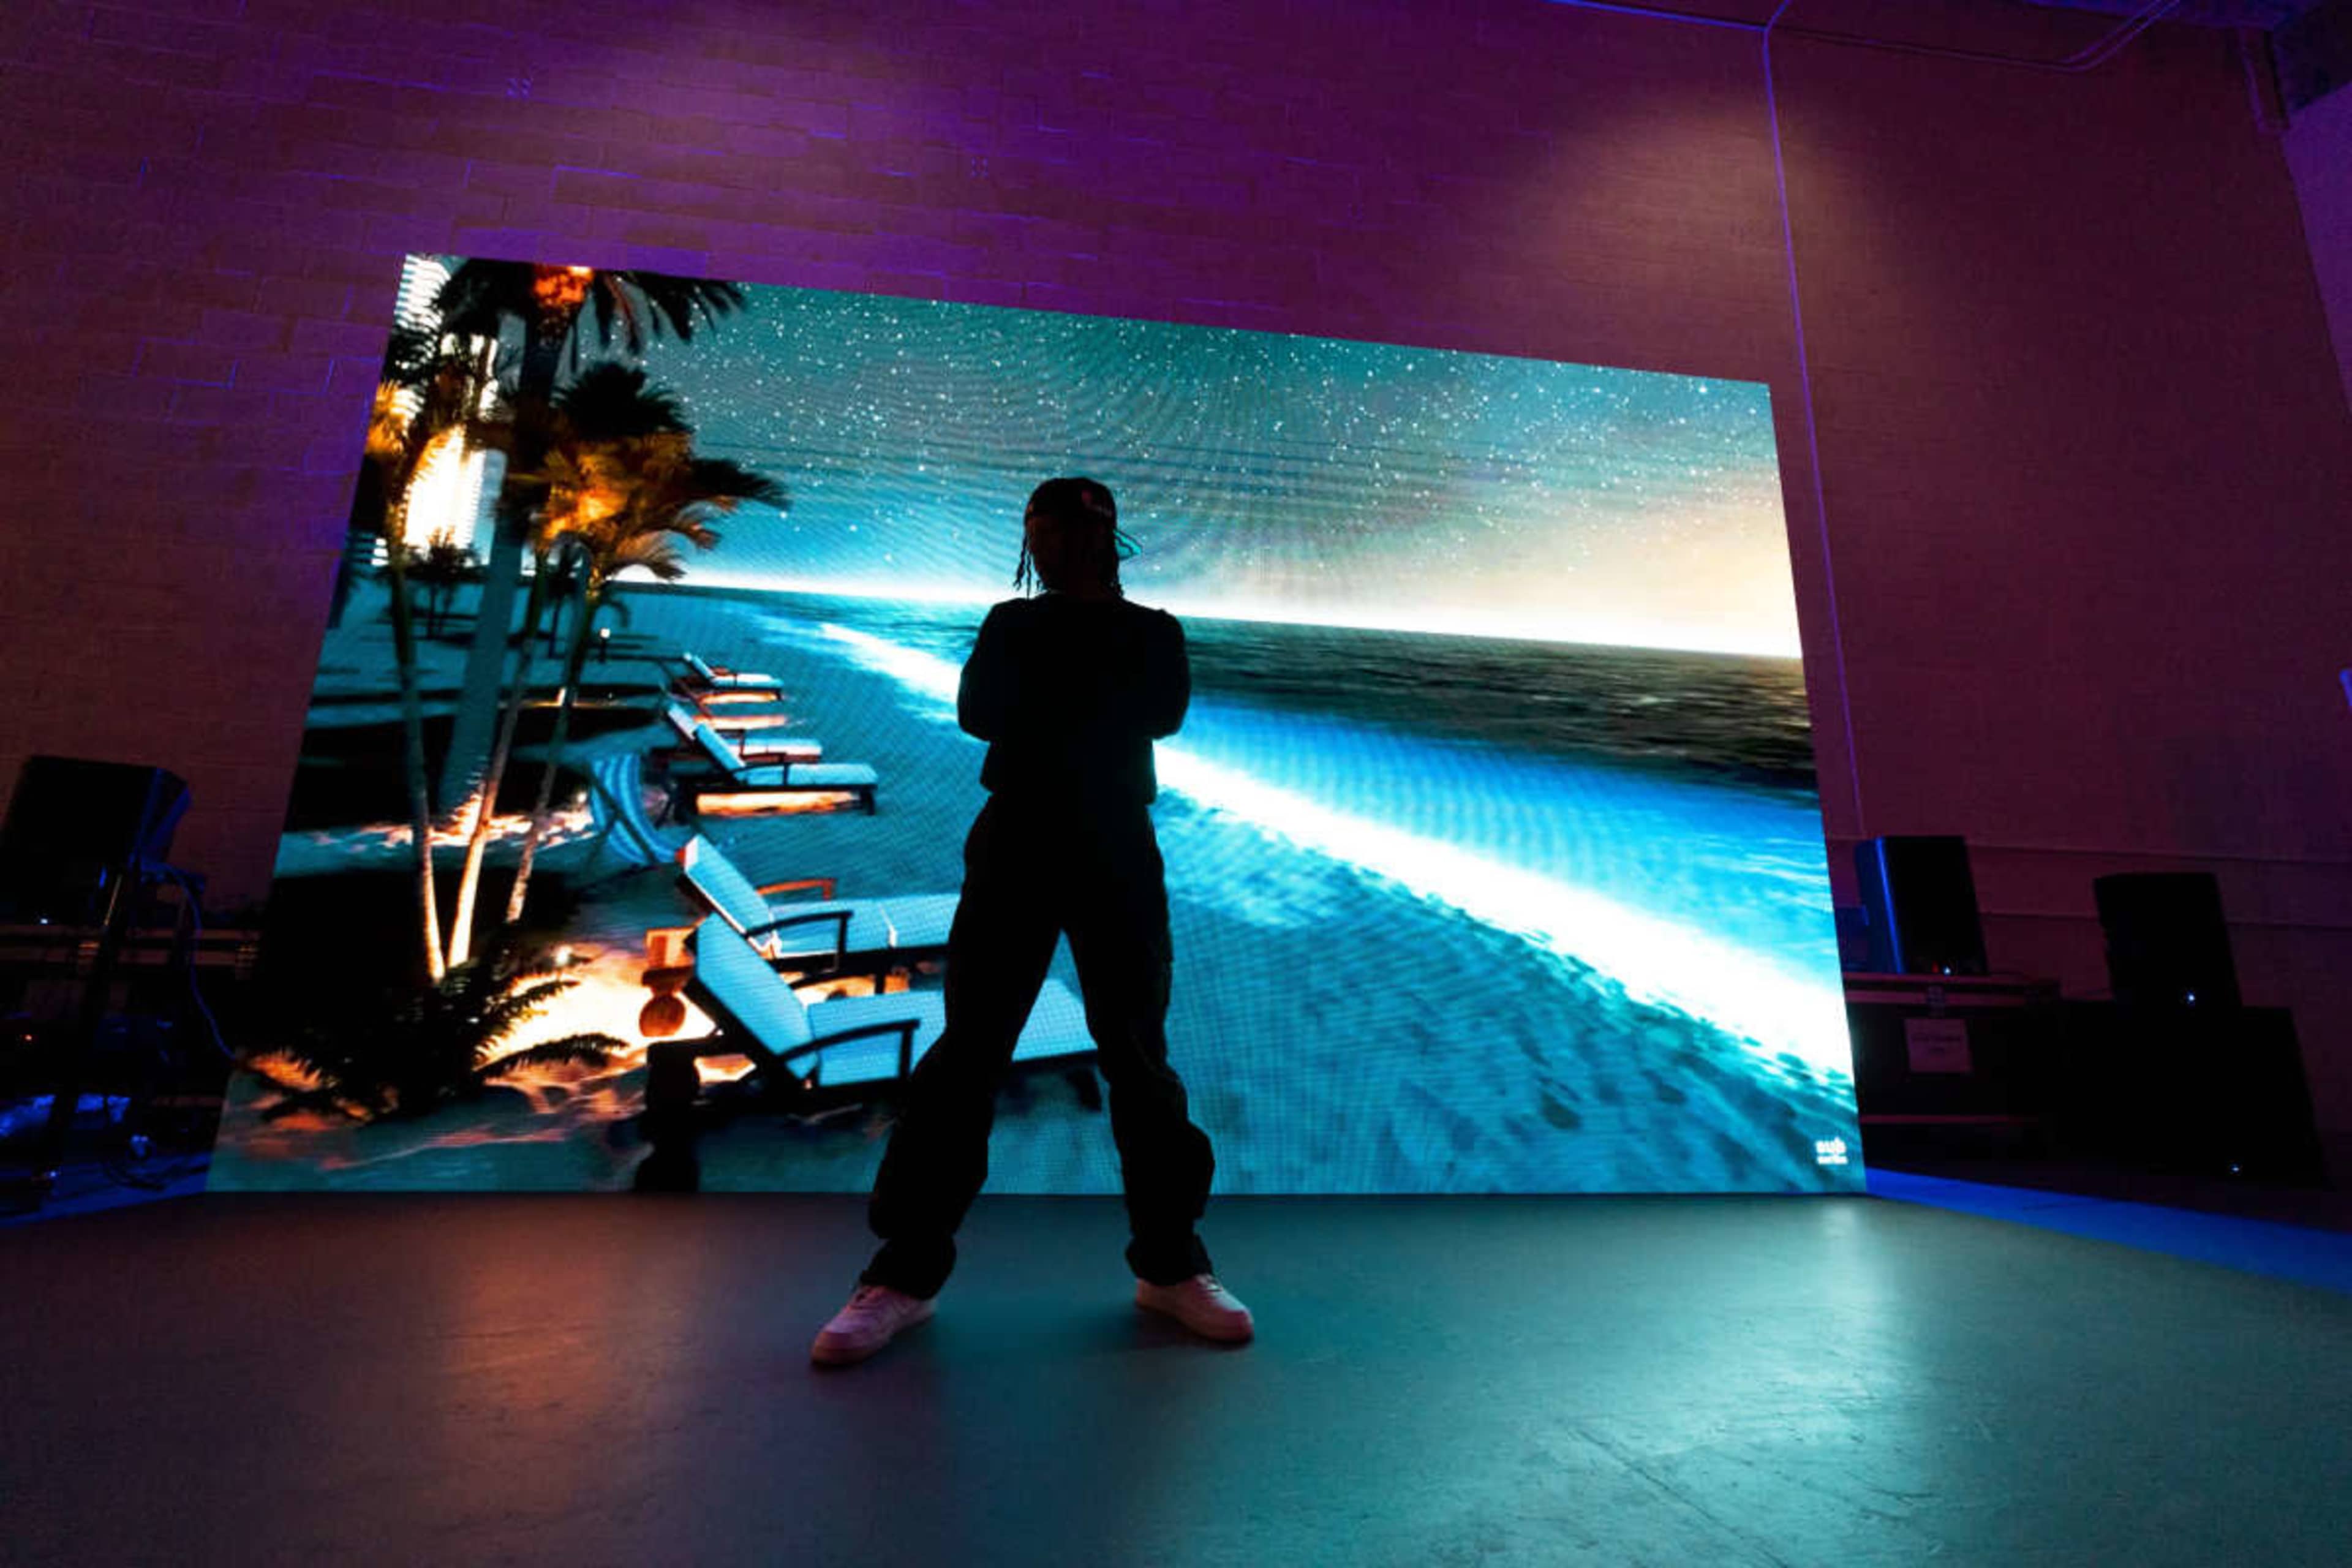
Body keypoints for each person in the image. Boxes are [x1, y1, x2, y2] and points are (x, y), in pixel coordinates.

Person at [812, 477, 1251, 1366]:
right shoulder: (1016, 623)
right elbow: (979, 714)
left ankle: (1172, 1265)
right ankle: (904, 1276)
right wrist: (1094, 700)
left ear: (1102, 540)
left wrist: (1051, 700)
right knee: (969, 1053)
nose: (1046, 548)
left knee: (1138, 1056)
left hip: (1115, 847)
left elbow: (1160, 714)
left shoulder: (1147, 629)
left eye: (1061, 533)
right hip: (1017, 840)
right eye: (1037, 533)